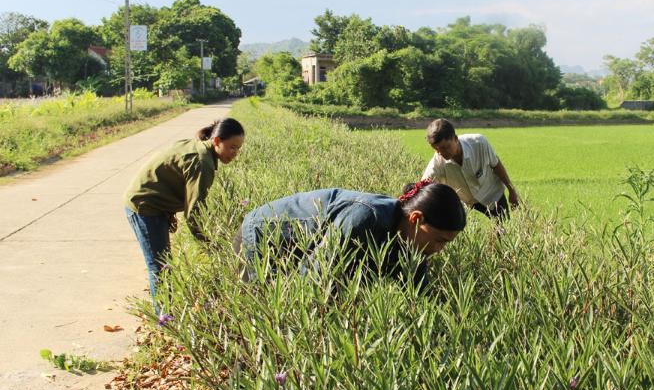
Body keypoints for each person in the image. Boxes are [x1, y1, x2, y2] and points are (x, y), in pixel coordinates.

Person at [236, 180, 466, 286]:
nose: (439, 249)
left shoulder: (412, 244)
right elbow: (315, 280)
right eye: (440, 240)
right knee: (264, 315)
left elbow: (419, 295)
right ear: (416, 219)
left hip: (302, 249)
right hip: (263, 236)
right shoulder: (365, 218)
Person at [125, 118, 245, 305]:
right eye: (232, 147)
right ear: (216, 141)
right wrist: (212, 246)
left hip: (154, 204)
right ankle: (164, 317)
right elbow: (194, 213)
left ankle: (167, 312)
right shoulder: (202, 162)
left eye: (238, 149)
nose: (235, 153)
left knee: (164, 265)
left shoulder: (200, 148)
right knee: (160, 267)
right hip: (145, 206)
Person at [421, 118, 519, 219]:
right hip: (468, 201)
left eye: (446, 147)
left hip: (492, 193)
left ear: (455, 138)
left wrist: (512, 191)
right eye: (437, 150)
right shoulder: (436, 165)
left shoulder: (479, 143)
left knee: (503, 223)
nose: (442, 153)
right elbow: (422, 188)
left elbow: (496, 165)